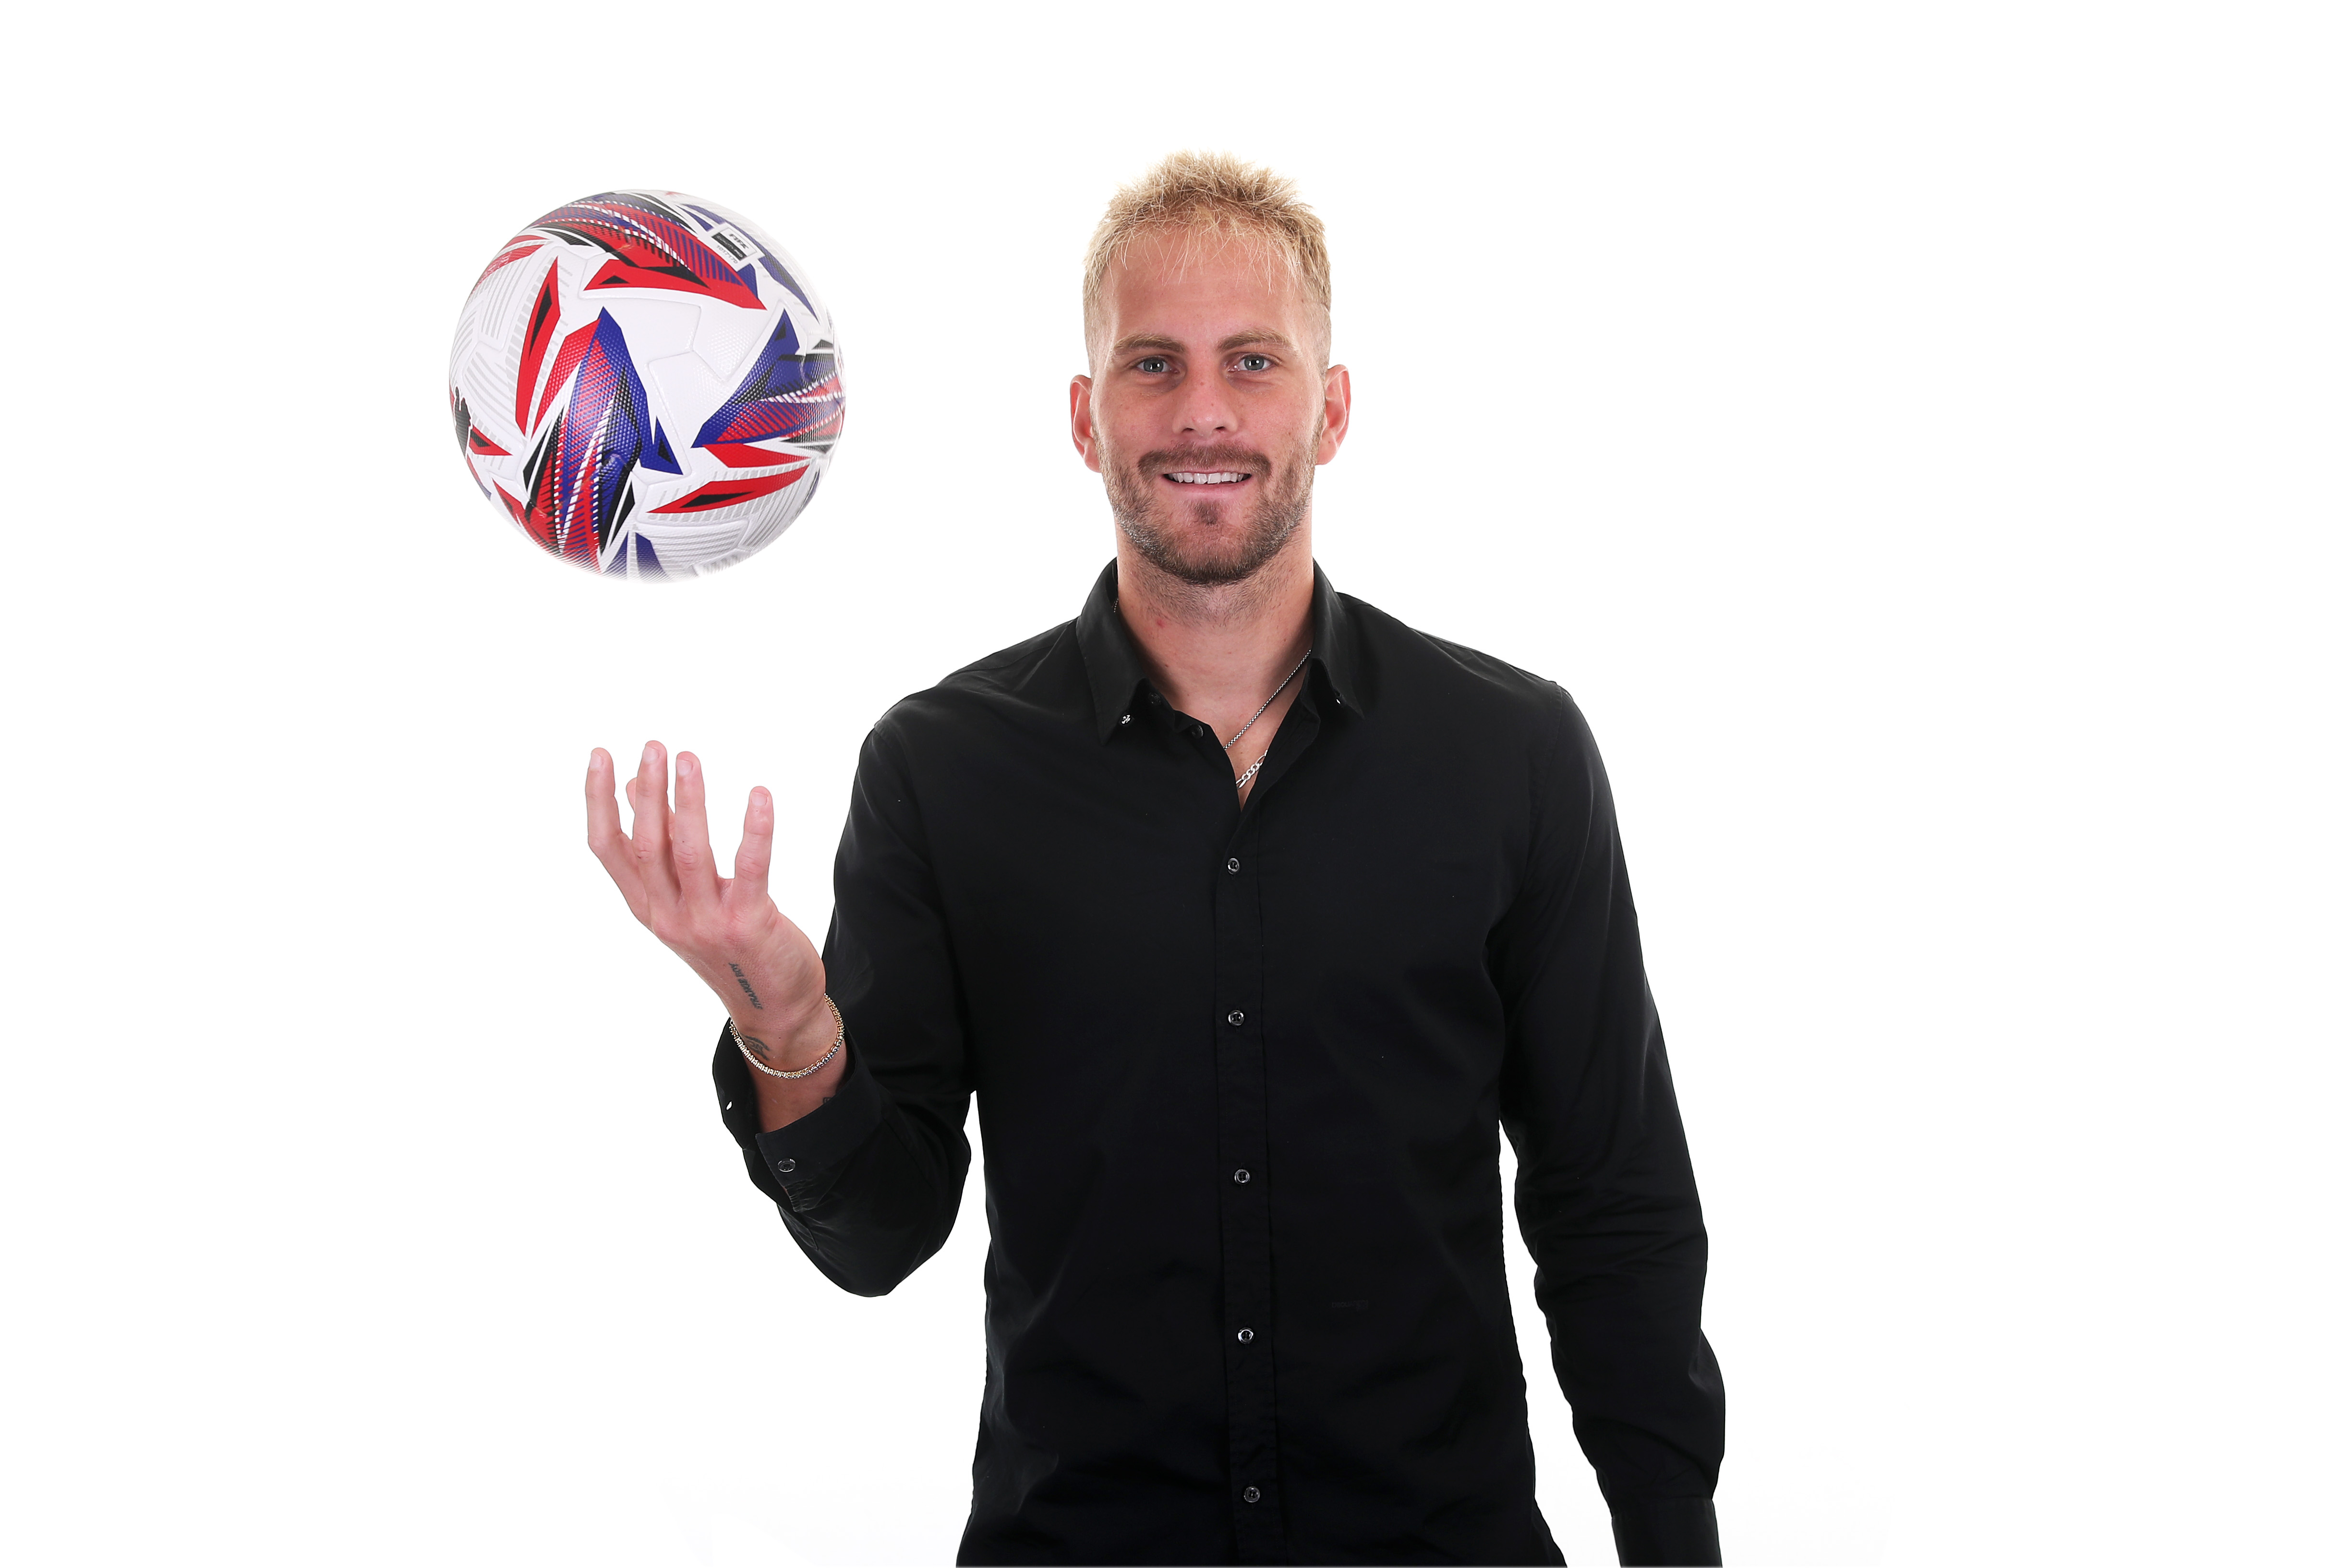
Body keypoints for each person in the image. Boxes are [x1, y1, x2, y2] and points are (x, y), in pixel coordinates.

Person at [585, 151, 1724, 1567]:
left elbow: (1610, 1199)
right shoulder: (943, 771)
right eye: (1151, 364)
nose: (1202, 411)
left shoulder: (1512, 753)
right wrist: (791, 1029)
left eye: (1253, 361)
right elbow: (878, 1235)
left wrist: (1670, 1534)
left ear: (1333, 404)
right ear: (1084, 417)